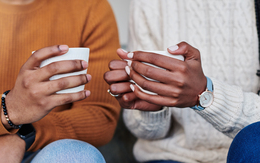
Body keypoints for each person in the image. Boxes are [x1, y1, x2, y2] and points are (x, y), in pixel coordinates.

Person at [104, 0, 260, 162]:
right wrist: (154, 106)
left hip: (251, 151)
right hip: (173, 155)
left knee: (253, 144)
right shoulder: (149, 4)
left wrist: (205, 94)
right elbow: (146, 132)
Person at [0, 0, 121, 162]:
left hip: (41, 148)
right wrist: (11, 108)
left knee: (79, 157)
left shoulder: (91, 8)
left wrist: (22, 135)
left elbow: (100, 115)